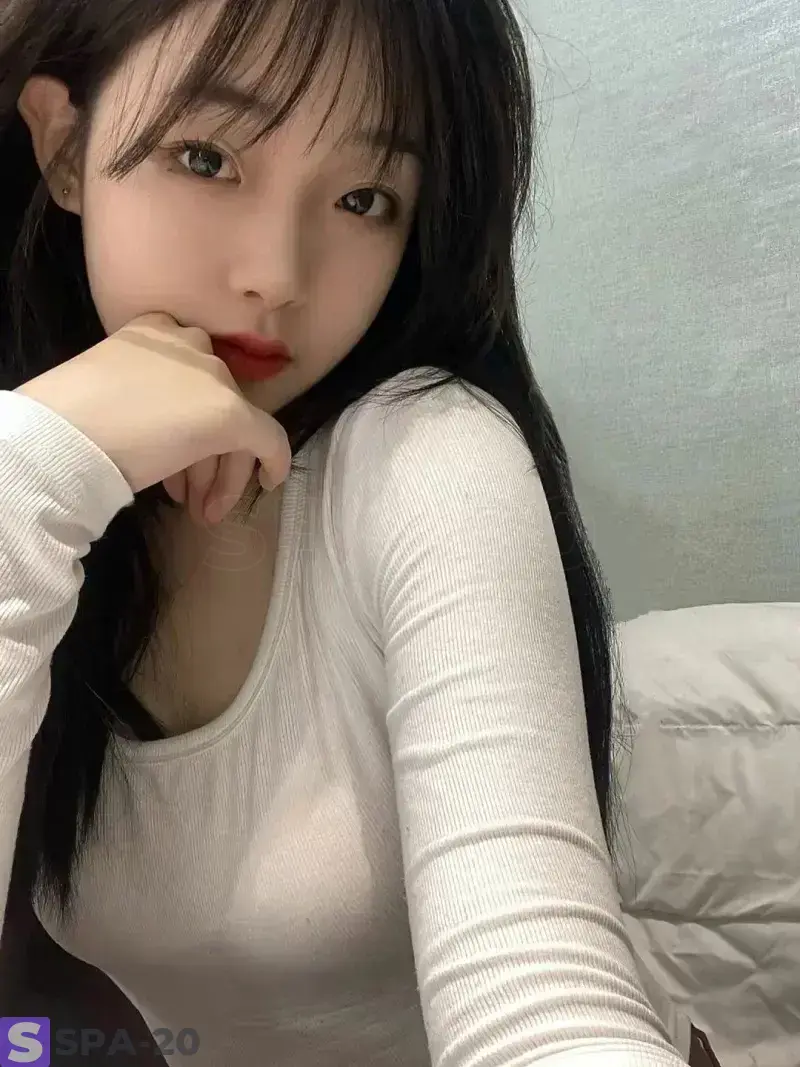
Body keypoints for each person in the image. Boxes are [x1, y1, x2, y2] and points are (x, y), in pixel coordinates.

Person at [0, 0, 692, 1063]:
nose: (277, 274)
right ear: (63, 147)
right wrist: (39, 462)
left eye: (364, 198)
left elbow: (538, 996)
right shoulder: (31, 484)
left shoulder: (428, 455)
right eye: (207, 157)